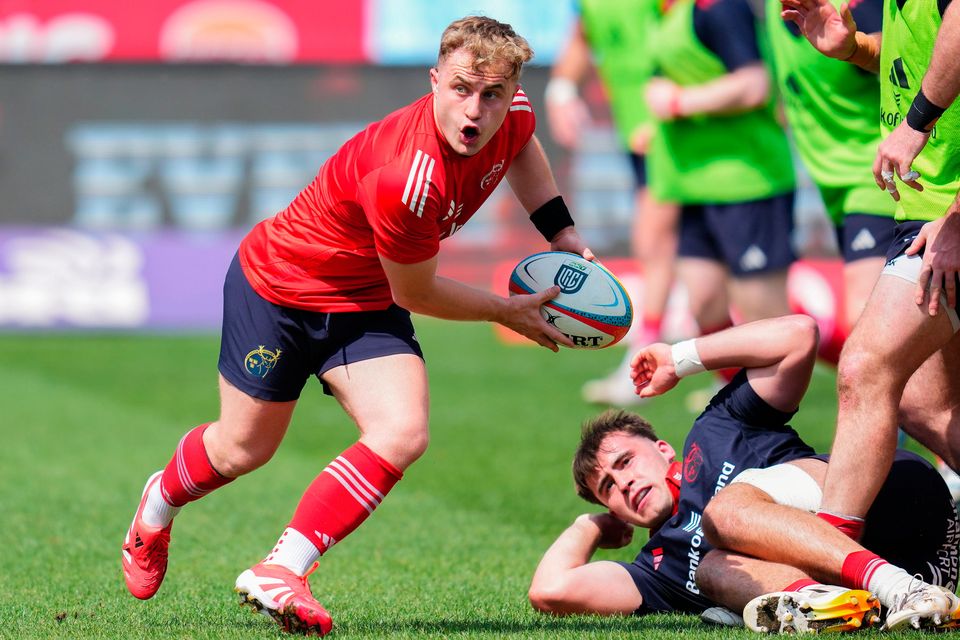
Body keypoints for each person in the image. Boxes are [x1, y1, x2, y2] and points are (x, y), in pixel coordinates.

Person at [120, 16, 593, 636]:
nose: (474, 111)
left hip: (361, 300)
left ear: (512, 92)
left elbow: (522, 145)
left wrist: (560, 231)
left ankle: (282, 568)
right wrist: (506, 312)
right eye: (459, 89)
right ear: (433, 81)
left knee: (402, 431)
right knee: (242, 449)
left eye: (492, 95)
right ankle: (156, 506)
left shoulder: (514, 110)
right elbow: (417, 291)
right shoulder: (408, 176)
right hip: (280, 289)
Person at [528, 315, 959, 631]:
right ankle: (856, 603)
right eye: (609, 490)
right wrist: (592, 525)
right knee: (711, 570)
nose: (624, 483)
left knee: (725, 513)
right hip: (914, 561)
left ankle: (895, 589)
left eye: (625, 462)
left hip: (895, 495)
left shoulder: (713, 429)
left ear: (662, 449)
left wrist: (679, 359)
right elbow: (550, 591)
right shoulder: (658, 570)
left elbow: (796, 335)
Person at [779, 0, 960, 553]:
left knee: (865, 367)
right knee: (926, 405)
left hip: (946, 218)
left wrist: (916, 128)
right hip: (926, 213)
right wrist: (856, 49)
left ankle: (835, 564)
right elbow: (928, 59)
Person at [643, 0, 795, 367]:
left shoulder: (719, 7)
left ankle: (770, 412)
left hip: (748, 182)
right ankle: (735, 398)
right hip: (694, 185)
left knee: (766, 316)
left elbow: (754, 84)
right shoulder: (666, 11)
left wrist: (680, 102)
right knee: (703, 300)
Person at [544, 0, 681, 405]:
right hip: (639, 132)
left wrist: (676, 108)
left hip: (677, 132)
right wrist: (562, 90)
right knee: (689, 253)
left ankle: (643, 362)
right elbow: (584, 35)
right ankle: (725, 372)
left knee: (654, 238)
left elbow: (689, 38)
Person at [765, 0, 895, 340]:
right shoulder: (772, 9)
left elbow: (910, 60)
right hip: (830, 181)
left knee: (868, 324)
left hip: (876, 177)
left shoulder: (854, 9)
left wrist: (857, 48)